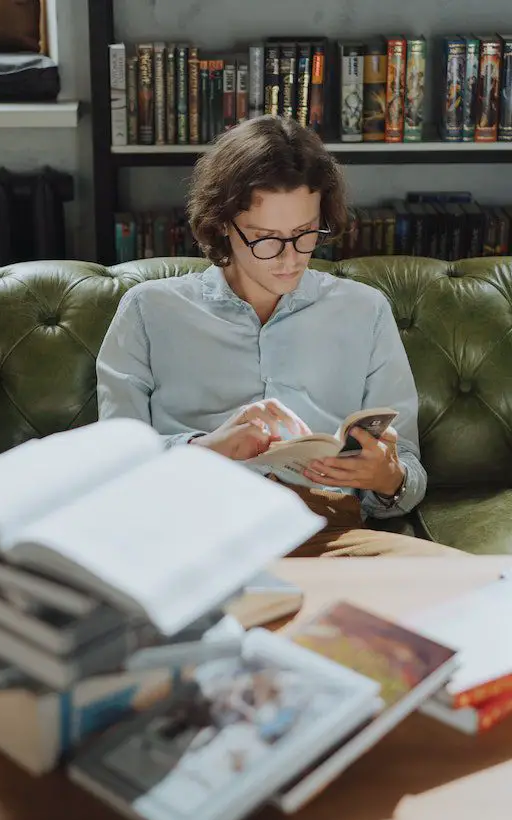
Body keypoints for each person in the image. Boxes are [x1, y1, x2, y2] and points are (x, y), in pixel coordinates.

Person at [97, 115, 462, 557]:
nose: (290, 259)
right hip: (192, 533)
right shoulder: (148, 310)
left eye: (305, 234)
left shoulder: (364, 310)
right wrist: (207, 449)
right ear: (222, 225)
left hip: (327, 532)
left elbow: (405, 468)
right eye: (266, 239)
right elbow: (116, 468)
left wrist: (385, 476)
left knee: (471, 590)